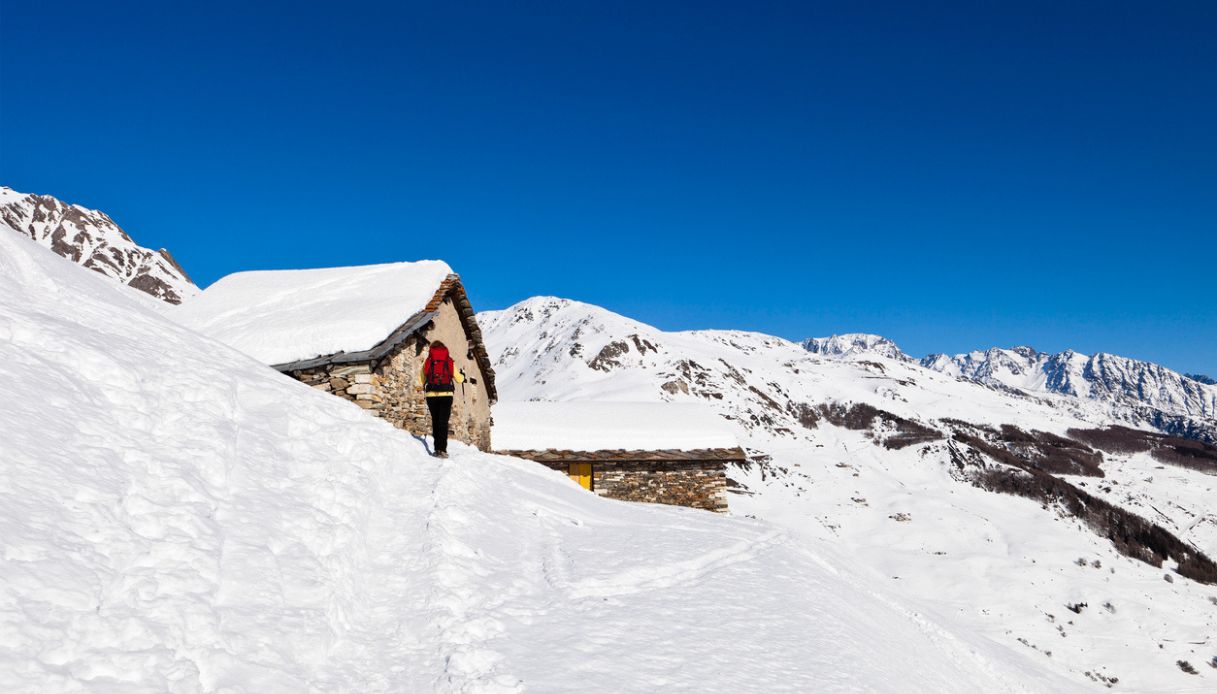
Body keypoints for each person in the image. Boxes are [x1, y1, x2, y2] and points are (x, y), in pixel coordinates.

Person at [418, 340, 464, 458]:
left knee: (435, 421)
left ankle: (436, 449)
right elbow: (459, 379)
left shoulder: (428, 361)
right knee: (443, 422)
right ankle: (442, 450)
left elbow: (422, 380)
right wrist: (462, 376)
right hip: (446, 394)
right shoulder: (449, 361)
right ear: (444, 349)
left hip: (431, 395)